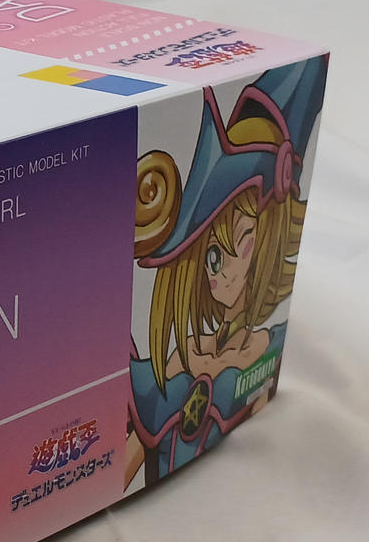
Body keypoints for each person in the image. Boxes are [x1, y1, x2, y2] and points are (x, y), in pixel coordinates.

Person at [125, 56, 326, 486]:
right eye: (210, 254)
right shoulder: (181, 357)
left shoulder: (264, 352)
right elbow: (122, 462)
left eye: (236, 244)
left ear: (269, 240)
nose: (213, 272)